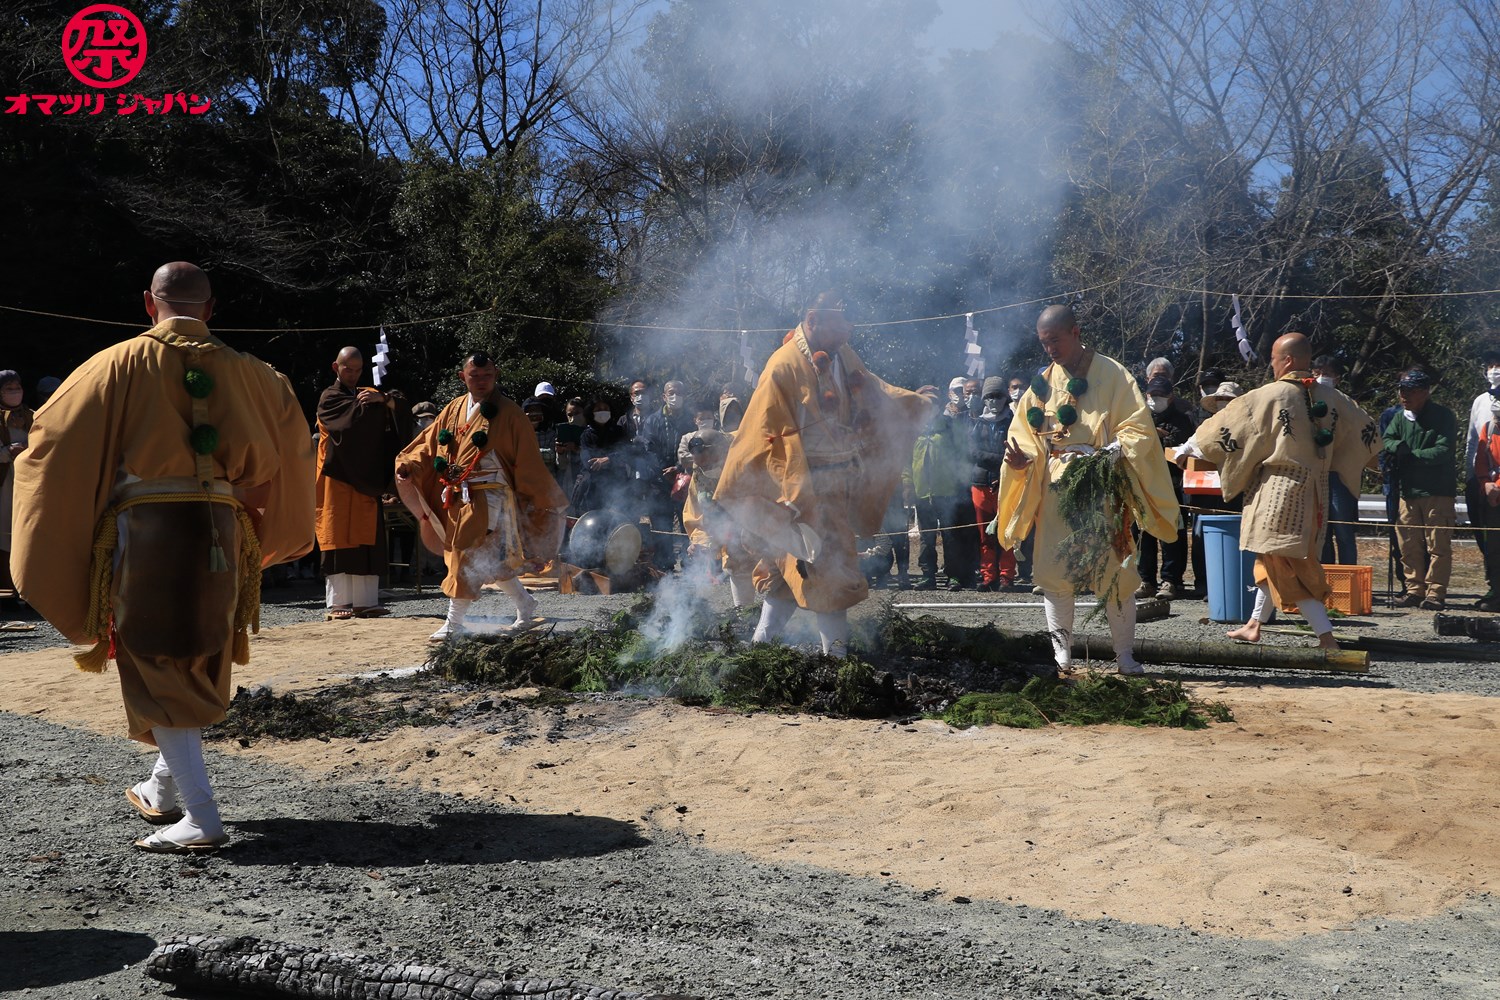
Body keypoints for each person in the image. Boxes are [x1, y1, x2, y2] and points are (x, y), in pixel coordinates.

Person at [12, 261, 314, 852]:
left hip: (148, 529)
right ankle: (162, 787)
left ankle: (202, 816)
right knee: (197, 652)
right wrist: (257, 520)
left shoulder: (115, 363)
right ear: (211, 308)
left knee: (157, 658)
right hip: (224, 526)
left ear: (149, 304)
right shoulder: (259, 375)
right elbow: (296, 453)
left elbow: (50, 440)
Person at [714, 291, 935, 654]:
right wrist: (794, 495)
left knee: (792, 572)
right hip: (802, 490)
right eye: (839, 324)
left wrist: (914, 403)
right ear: (813, 320)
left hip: (838, 483)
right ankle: (837, 660)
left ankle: (760, 648)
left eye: (849, 325)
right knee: (831, 570)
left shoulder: (843, 354)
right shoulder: (782, 366)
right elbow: (766, 436)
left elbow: (873, 389)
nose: (847, 332)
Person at [994, 305, 1179, 675]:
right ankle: (1061, 656)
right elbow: (1025, 436)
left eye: (1055, 340)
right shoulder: (1040, 384)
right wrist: (1020, 460)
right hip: (1055, 487)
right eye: (1044, 343)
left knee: (1115, 574)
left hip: (1101, 486)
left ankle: (1124, 655)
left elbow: (1138, 426)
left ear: (1075, 333)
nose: (1050, 349)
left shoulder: (1112, 374)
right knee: (1054, 574)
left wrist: (1112, 451)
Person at [1178, 334, 1380, 648]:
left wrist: (1186, 449)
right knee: (1271, 557)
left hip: (1280, 492)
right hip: (1317, 491)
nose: (1271, 364)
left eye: (1273, 358)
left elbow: (1225, 427)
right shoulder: (1333, 397)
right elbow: (1366, 435)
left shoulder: (1270, 395)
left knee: (1287, 563)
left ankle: (1326, 637)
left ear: (1287, 360)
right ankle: (1254, 624)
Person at [395, 352, 569, 640]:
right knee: (488, 559)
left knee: (462, 552)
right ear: (462, 377)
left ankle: (454, 621)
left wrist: (541, 498)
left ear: (496, 375)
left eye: (487, 375)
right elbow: (428, 443)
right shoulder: (453, 409)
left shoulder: (510, 412)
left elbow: (528, 460)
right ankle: (526, 605)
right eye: (474, 376)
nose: (481, 381)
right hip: (457, 494)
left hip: (490, 496)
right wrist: (409, 465)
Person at [315, 347, 411, 620]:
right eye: (348, 369)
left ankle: (366, 602)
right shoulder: (330, 397)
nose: (353, 375)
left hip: (365, 477)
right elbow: (349, 425)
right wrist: (376, 405)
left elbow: (401, 407)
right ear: (336, 367)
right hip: (336, 477)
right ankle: (338, 602)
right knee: (337, 534)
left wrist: (384, 399)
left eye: (358, 370)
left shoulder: (367, 393)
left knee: (367, 535)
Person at [1383, 368, 1458, 610]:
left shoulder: (1443, 416)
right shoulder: (1400, 417)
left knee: (1438, 545)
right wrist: (1397, 447)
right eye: (1401, 390)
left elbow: (1443, 450)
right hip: (1408, 491)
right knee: (1408, 544)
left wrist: (1412, 455)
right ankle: (1414, 589)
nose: (1404, 396)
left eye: (1410, 391)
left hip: (1437, 491)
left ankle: (1436, 592)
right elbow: (1387, 439)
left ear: (1425, 392)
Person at [908, 396, 976, 591]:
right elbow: (906, 462)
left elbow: (962, 456)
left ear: (938, 407)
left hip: (947, 492)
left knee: (950, 536)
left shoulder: (950, 428)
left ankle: (953, 576)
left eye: (931, 406)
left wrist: (961, 483)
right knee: (926, 537)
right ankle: (927, 575)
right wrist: (907, 485)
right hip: (922, 492)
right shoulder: (914, 431)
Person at [681, 430, 756, 605]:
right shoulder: (699, 473)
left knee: (778, 568)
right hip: (734, 533)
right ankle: (744, 612)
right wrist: (702, 541)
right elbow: (699, 511)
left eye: (707, 463)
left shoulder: (747, 457)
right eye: (700, 464)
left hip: (764, 523)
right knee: (737, 562)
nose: (703, 467)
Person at [1136, 374, 1194, 600]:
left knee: (1172, 534)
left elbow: (1180, 447)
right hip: (1144, 484)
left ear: (1170, 397)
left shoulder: (1182, 420)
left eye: (1160, 395)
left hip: (1171, 485)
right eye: (1152, 395)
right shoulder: (1140, 418)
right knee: (1143, 533)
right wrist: (1155, 435)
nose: (1155, 399)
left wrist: (1157, 438)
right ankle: (1146, 580)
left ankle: (1171, 580)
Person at [639, 379, 696, 570]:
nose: (675, 396)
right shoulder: (652, 420)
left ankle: (690, 565)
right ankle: (664, 566)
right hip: (659, 481)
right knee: (661, 524)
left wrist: (678, 468)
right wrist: (665, 470)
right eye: (671, 393)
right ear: (664, 396)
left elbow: (694, 448)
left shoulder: (690, 420)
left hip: (685, 480)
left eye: (679, 393)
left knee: (687, 522)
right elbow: (649, 449)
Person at [1311, 355, 1361, 565]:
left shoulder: (1347, 403)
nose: (1322, 377)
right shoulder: (1307, 400)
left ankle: (1349, 575)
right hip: (1315, 473)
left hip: (1339, 475)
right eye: (1317, 373)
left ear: (1337, 378)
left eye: (1328, 374)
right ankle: (1326, 577)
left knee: (1343, 530)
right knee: (1321, 532)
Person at [968, 376, 1014, 591]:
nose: (994, 401)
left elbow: (1017, 449)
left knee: (1007, 532)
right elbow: (972, 452)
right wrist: (1000, 458)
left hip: (1008, 482)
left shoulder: (1014, 421)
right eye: (989, 396)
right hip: (980, 484)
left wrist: (997, 461)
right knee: (985, 534)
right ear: (984, 399)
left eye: (998, 396)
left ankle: (1007, 575)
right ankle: (988, 575)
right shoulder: (977, 423)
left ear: (1005, 398)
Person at [1464, 347, 1500, 604]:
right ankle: (1495, 587)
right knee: (1491, 543)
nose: (1494, 370)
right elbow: (1475, 446)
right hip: (1485, 488)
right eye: (1490, 365)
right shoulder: (1480, 404)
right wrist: (1481, 482)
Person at [0, 370, 34, 596]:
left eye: (17, 388)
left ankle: (27, 589)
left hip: (28, 481)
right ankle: (7, 590)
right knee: (4, 533)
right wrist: (8, 451)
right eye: (8, 389)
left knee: (27, 531)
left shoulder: (32, 416)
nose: (14, 392)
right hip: (4, 483)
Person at [1472, 393, 1500, 612]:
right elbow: (1480, 460)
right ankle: (1496, 591)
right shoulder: (1489, 428)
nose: (1497, 419)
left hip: (1496, 491)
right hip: (1492, 497)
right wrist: (1485, 484)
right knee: (1493, 548)